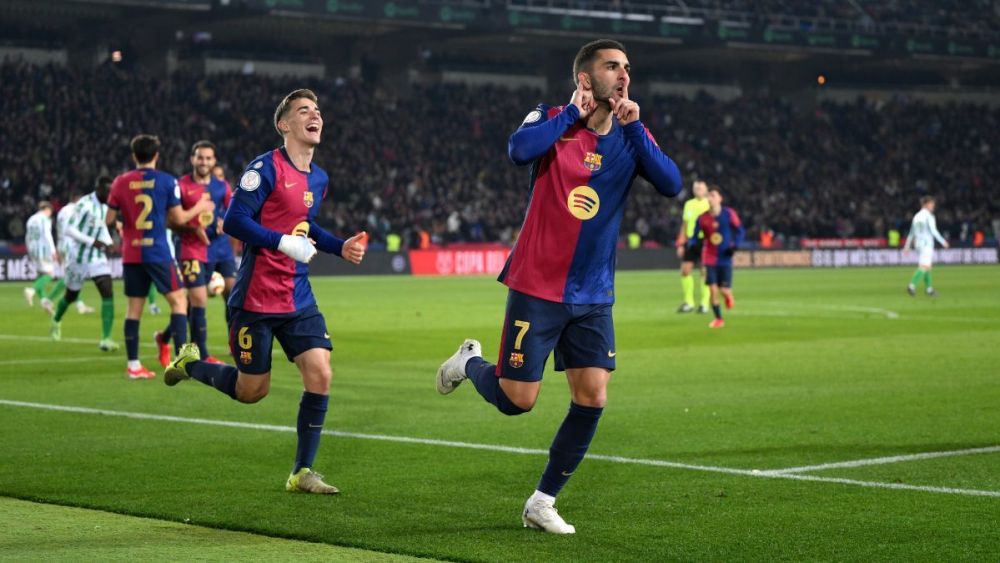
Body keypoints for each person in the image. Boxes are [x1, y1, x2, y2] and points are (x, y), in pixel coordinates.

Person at [436, 39, 682, 534]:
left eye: (627, 68)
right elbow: (517, 150)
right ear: (586, 79)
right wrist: (570, 113)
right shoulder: (550, 118)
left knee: (592, 396)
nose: (624, 75)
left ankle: (542, 500)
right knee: (517, 401)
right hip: (537, 285)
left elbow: (672, 183)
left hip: (592, 294)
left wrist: (634, 126)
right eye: (613, 67)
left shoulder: (632, 136)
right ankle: (469, 362)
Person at [163, 89, 366, 494]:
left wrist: (338, 246)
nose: (315, 115)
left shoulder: (319, 178)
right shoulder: (264, 168)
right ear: (284, 125)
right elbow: (233, 221)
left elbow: (307, 225)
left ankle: (301, 472)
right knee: (252, 390)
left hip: (298, 296)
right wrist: (280, 243)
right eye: (304, 110)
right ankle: (191, 365)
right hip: (256, 298)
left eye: (318, 110)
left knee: (321, 373)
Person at [105, 134, 214, 380]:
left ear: (134, 156)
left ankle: (133, 365)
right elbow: (177, 219)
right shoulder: (167, 181)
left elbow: (109, 221)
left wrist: (124, 227)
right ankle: (182, 362)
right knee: (179, 302)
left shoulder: (120, 182)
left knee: (134, 309)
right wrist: (199, 208)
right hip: (157, 252)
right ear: (156, 155)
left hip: (132, 253)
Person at [154, 140, 226, 366]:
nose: (204, 162)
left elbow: (233, 210)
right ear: (192, 159)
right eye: (200, 157)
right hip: (188, 248)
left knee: (192, 303)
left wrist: (226, 223)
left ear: (214, 162)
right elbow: (170, 220)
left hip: (214, 249)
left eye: (208, 158)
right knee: (199, 300)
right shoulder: (180, 185)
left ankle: (164, 338)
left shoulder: (221, 186)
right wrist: (193, 227)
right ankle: (201, 355)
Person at [50, 176, 119, 351]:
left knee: (107, 292)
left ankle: (106, 338)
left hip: (96, 257)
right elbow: (69, 229)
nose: (110, 194)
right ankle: (56, 319)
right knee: (71, 295)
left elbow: (101, 227)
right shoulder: (84, 204)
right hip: (77, 256)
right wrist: (92, 241)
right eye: (107, 191)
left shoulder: (106, 207)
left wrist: (108, 242)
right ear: (98, 189)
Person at [689, 187, 744, 329]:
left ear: (720, 198)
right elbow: (694, 237)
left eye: (713, 195)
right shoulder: (702, 218)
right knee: (713, 289)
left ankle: (728, 296)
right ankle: (719, 319)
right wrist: (693, 245)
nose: (709, 198)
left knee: (724, 290)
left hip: (725, 257)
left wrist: (735, 246)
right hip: (709, 258)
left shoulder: (729, 214)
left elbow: (740, 230)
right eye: (708, 196)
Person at [54, 191, 95, 315]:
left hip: (62, 244)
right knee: (74, 276)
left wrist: (58, 247)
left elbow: (58, 229)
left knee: (73, 276)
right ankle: (48, 299)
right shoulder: (77, 210)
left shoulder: (61, 211)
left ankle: (79, 304)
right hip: (73, 245)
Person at [676, 180, 711, 313]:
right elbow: (684, 225)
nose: (698, 190)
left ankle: (704, 304)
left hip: (705, 241)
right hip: (691, 241)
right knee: (685, 271)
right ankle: (689, 303)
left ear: (706, 189)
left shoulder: (709, 203)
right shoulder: (688, 204)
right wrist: (681, 243)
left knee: (704, 272)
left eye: (700, 188)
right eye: (696, 188)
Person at [903, 196, 949, 296]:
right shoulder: (929, 216)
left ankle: (929, 289)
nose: (933, 206)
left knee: (927, 266)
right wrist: (943, 241)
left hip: (918, 244)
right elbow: (933, 231)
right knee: (924, 266)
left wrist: (907, 246)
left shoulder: (916, 216)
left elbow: (911, 233)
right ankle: (912, 285)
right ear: (925, 204)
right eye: (931, 204)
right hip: (927, 244)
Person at [23, 202, 58, 310]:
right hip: (43, 250)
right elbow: (47, 235)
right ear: (47, 209)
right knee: (50, 275)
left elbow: (27, 237)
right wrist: (53, 250)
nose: (50, 215)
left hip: (33, 250)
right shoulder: (44, 219)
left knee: (40, 276)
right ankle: (31, 290)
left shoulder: (31, 219)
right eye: (50, 212)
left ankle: (44, 301)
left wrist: (29, 250)